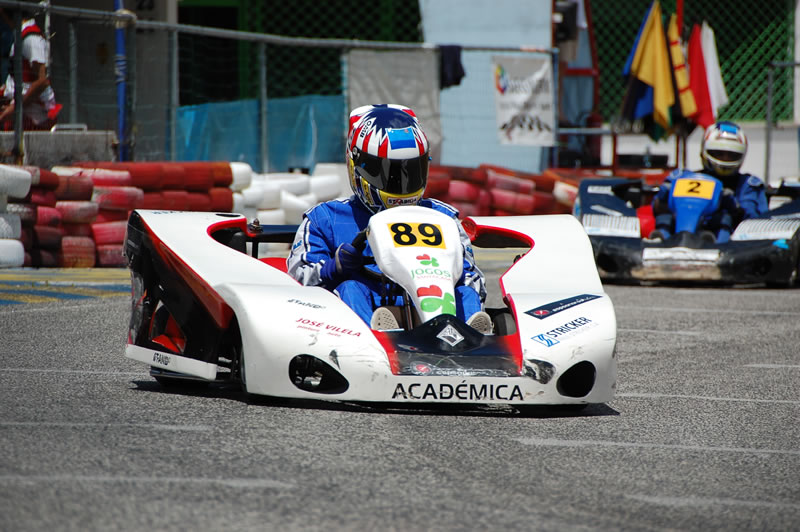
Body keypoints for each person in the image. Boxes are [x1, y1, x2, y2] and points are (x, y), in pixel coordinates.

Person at [287, 104, 491, 333]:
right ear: (357, 167)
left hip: (437, 313)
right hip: (362, 323)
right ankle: (380, 336)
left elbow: (472, 277)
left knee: (466, 293)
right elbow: (297, 282)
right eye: (390, 174)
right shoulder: (325, 219)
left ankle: (471, 338)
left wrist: (450, 273)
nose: (402, 183)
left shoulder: (443, 218)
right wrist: (334, 268)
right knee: (351, 288)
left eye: (410, 171)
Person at [651, 121, 768, 242]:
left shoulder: (746, 185)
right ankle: (661, 240)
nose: (725, 159)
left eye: (731, 155)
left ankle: (717, 243)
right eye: (719, 153)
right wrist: (663, 197)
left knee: (724, 218)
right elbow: (656, 208)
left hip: (729, 241)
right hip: (679, 234)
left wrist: (735, 207)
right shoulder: (683, 177)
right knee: (665, 217)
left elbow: (756, 223)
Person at [0, 8, 61, 130]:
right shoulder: (19, 36)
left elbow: (42, 81)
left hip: (33, 118)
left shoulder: (31, 38)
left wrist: (15, 108)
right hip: (19, 112)